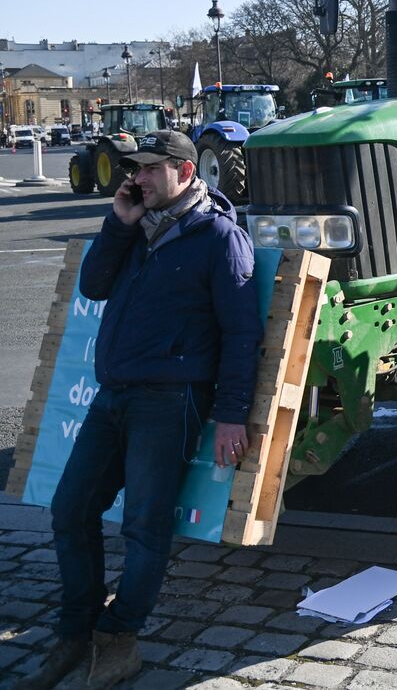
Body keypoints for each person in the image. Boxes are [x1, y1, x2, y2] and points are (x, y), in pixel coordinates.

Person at [30, 131, 263, 690]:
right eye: (134, 168)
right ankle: (76, 628)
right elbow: (94, 284)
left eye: (149, 169)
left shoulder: (218, 237)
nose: (136, 178)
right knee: (70, 509)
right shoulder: (136, 227)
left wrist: (232, 413)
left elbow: (241, 334)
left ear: (184, 171)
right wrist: (118, 222)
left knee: (144, 525)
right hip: (113, 395)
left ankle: (119, 636)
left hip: (170, 401)